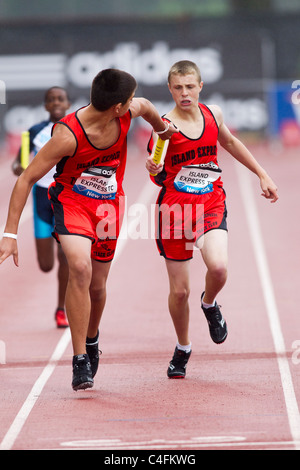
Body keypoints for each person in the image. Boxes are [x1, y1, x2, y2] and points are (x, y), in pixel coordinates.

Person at [0, 69, 177, 391]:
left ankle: (92, 338)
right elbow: (25, 178)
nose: (134, 103)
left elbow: (149, 107)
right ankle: (80, 358)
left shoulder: (130, 111)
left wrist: (163, 131)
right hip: (72, 204)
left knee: (98, 286)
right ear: (118, 107)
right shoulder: (67, 135)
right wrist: (10, 234)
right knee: (79, 268)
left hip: (109, 208)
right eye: (130, 99)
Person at [146, 60, 278, 379]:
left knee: (218, 269)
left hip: (210, 203)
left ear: (200, 86)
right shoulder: (164, 127)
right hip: (175, 212)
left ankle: (209, 304)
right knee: (179, 292)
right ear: (170, 89)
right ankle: (183, 347)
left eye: (190, 86)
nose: (185, 93)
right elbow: (156, 172)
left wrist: (262, 174)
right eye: (178, 88)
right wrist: (154, 168)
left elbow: (230, 142)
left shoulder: (213, 114)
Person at [12, 87, 70, 328]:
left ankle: (61, 309)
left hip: (67, 197)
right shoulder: (35, 132)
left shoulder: (75, 130)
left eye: (60, 99)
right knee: (46, 265)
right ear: (46, 106)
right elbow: (19, 163)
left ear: (67, 104)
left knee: (66, 255)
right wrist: (19, 168)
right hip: (42, 199)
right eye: (51, 100)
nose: (56, 103)